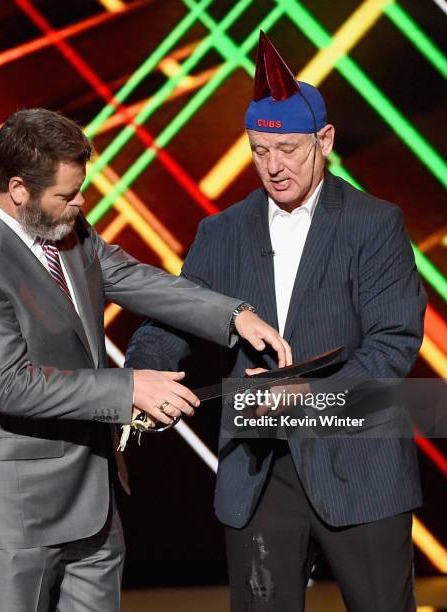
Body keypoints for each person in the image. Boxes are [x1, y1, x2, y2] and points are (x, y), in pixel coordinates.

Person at [0, 107, 291, 612]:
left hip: (95, 500)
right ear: (18, 190)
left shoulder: (65, 228)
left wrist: (233, 316)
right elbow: (12, 385)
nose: (81, 203)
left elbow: (132, 278)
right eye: (67, 194)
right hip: (19, 513)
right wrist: (129, 389)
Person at [126, 32, 427, 611]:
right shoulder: (221, 233)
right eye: (260, 151)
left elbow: (391, 348)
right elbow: (173, 322)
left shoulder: (374, 224)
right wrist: (142, 375)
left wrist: (305, 401)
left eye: (288, 149)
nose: (274, 166)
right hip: (260, 473)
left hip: (359, 467)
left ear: (325, 140)